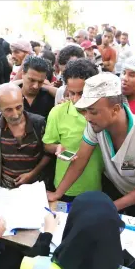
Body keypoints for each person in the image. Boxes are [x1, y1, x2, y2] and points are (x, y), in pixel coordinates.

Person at [48, 73, 135, 221]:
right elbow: (80, 159)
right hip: (114, 186)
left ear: (115, 109)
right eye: (85, 110)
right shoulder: (95, 125)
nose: (87, 117)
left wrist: (111, 207)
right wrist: (58, 193)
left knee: (128, 237)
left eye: (93, 111)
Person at [43, 59, 103, 202]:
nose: (76, 99)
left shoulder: (103, 114)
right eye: (71, 93)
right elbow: (47, 144)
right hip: (65, 187)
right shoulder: (58, 112)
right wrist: (56, 147)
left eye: (81, 93)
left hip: (95, 184)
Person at [0, 83, 51, 188]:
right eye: (8, 110)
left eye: (19, 107)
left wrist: (31, 174)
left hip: (35, 186)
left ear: (23, 101)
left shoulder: (39, 123)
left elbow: (48, 154)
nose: (15, 114)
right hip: (6, 186)